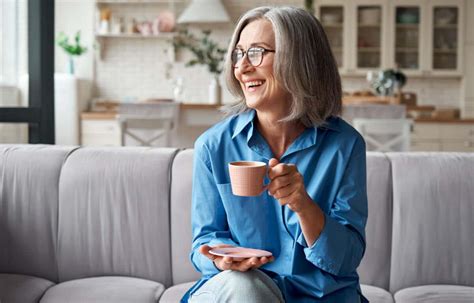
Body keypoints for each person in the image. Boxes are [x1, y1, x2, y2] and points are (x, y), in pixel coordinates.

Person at [182, 6, 368, 303]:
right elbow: (204, 242)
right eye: (238, 54)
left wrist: (303, 205)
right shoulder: (213, 146)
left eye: (256, 52)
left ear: (299, 60)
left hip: (321, 297)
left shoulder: (345, 146)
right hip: (240, 291)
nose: (242, 67)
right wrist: (220, 259)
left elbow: (345, 260)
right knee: (245, 289)